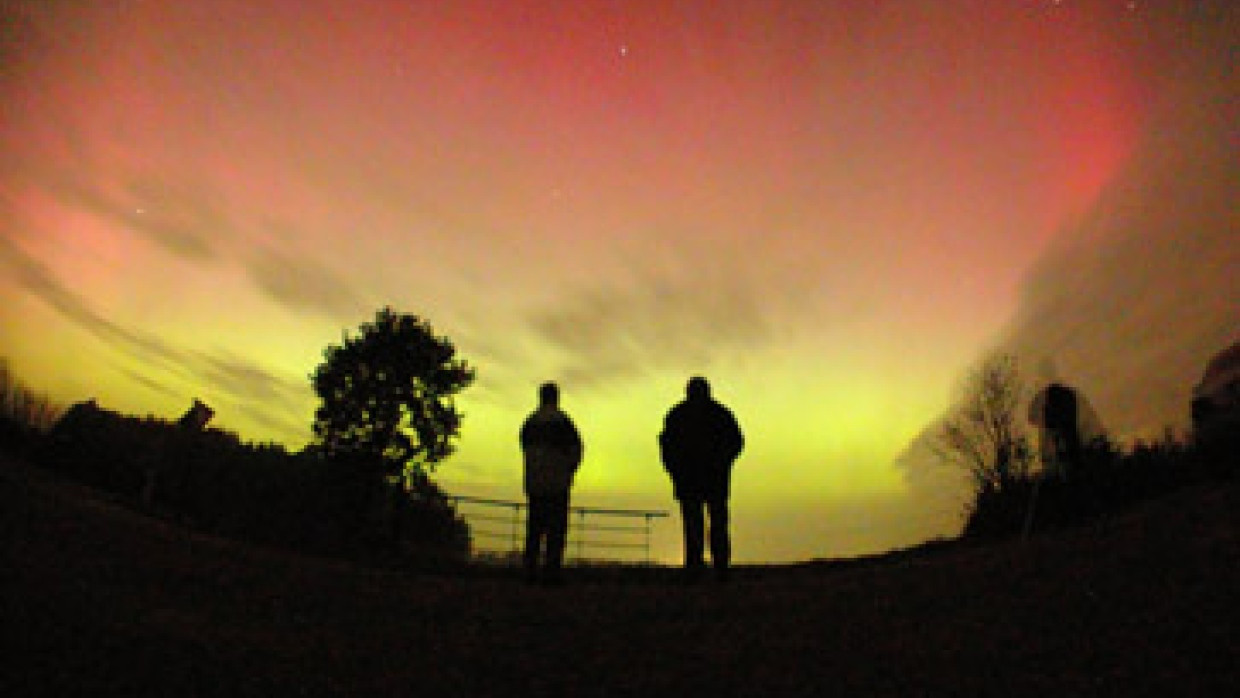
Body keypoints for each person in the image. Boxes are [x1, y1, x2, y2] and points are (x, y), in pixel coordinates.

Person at [658, 376, 744, 582]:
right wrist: (675, 469)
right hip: (698, 479)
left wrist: (722, 462)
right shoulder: (713, 414)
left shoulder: (683, 415)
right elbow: (667, 447)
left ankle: (713, 566)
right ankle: (704, 566)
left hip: (706, 479)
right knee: (699, 524)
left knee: (707, 523)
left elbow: (736, 442)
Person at [519, 381, 583, 586]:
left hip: (535, 483)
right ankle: (551, 572)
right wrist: (569, 471)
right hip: (557, 483)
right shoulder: (563, 422)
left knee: (534, 531)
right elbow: (576, 451)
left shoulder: (530, 422)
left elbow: (524, 450)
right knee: (556, 531)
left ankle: (530, 572)